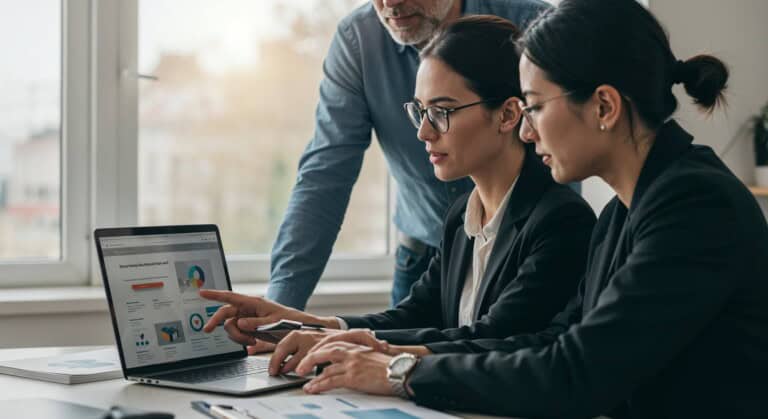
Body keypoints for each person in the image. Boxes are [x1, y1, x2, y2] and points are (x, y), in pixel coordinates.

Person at [290, 0, 768, 417]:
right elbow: (549, 341)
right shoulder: (623, 215)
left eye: (535, 107)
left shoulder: (694, 205)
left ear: (604, 107)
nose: (526, 130)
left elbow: (576, 372)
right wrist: (386, 354)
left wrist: (401, 370)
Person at [201, 15, 595, 376]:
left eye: (442, 111)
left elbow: (493, 337)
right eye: (419, 111)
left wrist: (351, 347)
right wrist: (306, 323)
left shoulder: (561, 221)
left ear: (509, 116)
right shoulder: (461, 215)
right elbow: (417, 313)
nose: (423, 132)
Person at [268, 0, 551, 310]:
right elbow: (325, 176)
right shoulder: (359, 40)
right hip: (424, 255)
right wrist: (279, 311)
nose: (390, 3)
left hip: (528, 249)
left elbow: (567, 144)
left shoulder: (533, 27)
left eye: (443, 110)